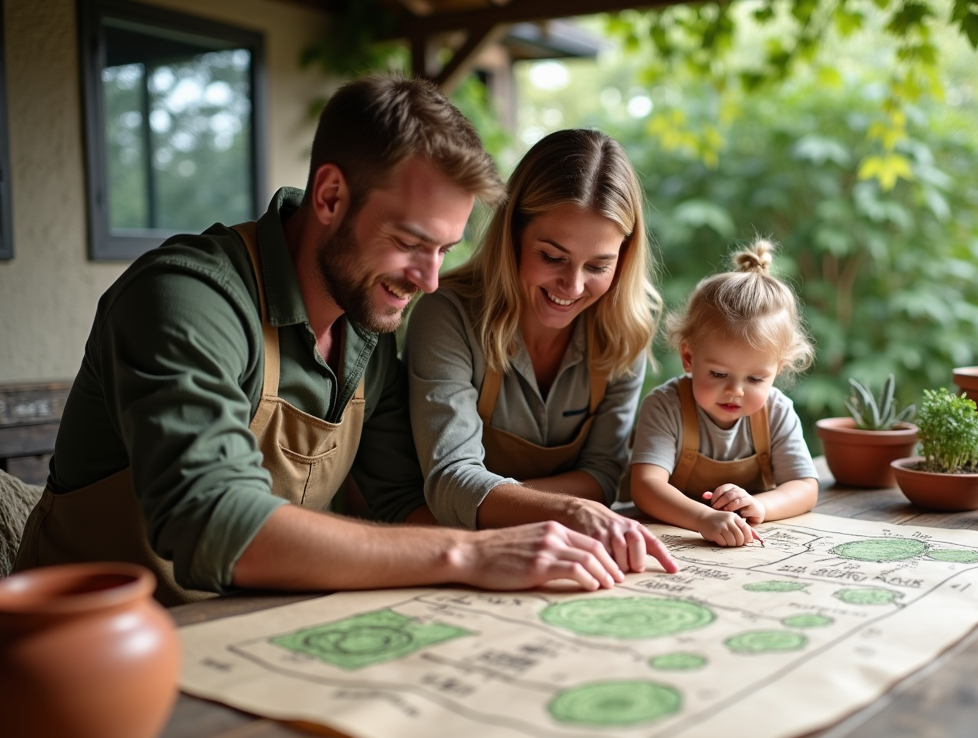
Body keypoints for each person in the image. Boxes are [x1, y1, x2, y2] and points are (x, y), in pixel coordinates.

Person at [15, 75, 629, 605]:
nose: (429, 280)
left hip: (250, 635)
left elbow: (399, 505)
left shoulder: (368, 329)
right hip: (83, 647)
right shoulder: (186, 300)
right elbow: (211, 519)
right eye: (410, 243)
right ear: (331, 196)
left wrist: (517, 563)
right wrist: (469, 556)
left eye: (444, 250)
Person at [405, 129, 677, 576]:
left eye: (598, 266)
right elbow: (451, 479)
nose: (572, 286)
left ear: (624, 257)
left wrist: (493, 501)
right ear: (512, 233)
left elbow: (603, 476)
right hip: (442, 551)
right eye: (552, 257)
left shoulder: (624, 332)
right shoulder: (447, 315)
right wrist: (568, 508)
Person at [628, 239, 820, 546]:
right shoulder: (666, 407)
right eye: (718, 374)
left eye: (755, 378)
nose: (735, 391)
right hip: (676, 539)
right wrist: (703, 518)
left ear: (778, 371)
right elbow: (645, 486)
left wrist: (760, 506)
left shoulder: (777, 412)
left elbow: (805, 487)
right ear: (688, 357)